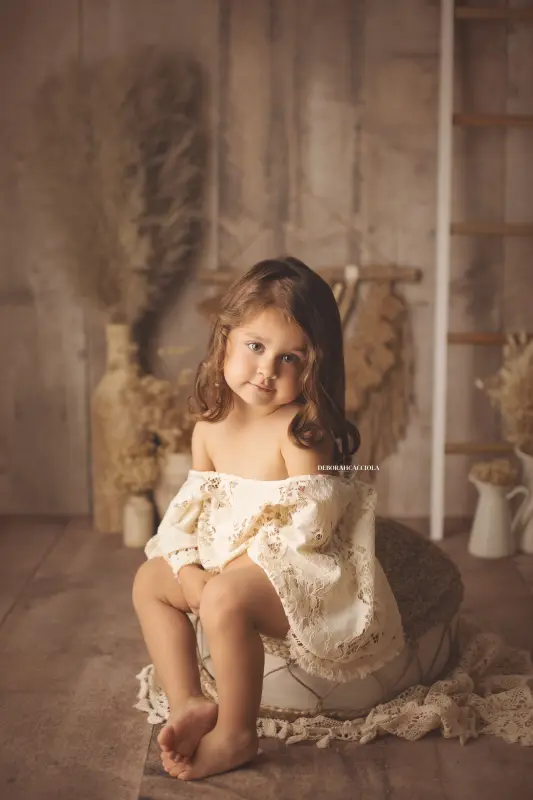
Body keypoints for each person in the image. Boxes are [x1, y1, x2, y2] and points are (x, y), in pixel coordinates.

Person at [132, 256, 404, 781]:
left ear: (314, 367)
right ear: (225, 340)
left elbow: (311, 528)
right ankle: (188, 700)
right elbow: (188, 512)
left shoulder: (301, 432)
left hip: (298, 573)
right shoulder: (209, 427)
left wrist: (227, 574)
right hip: (226, 566)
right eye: (256, 347)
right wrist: (186, 568)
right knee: (149, 581)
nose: (267, 370)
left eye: (290, 358)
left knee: (224, 596)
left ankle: (237, 733)